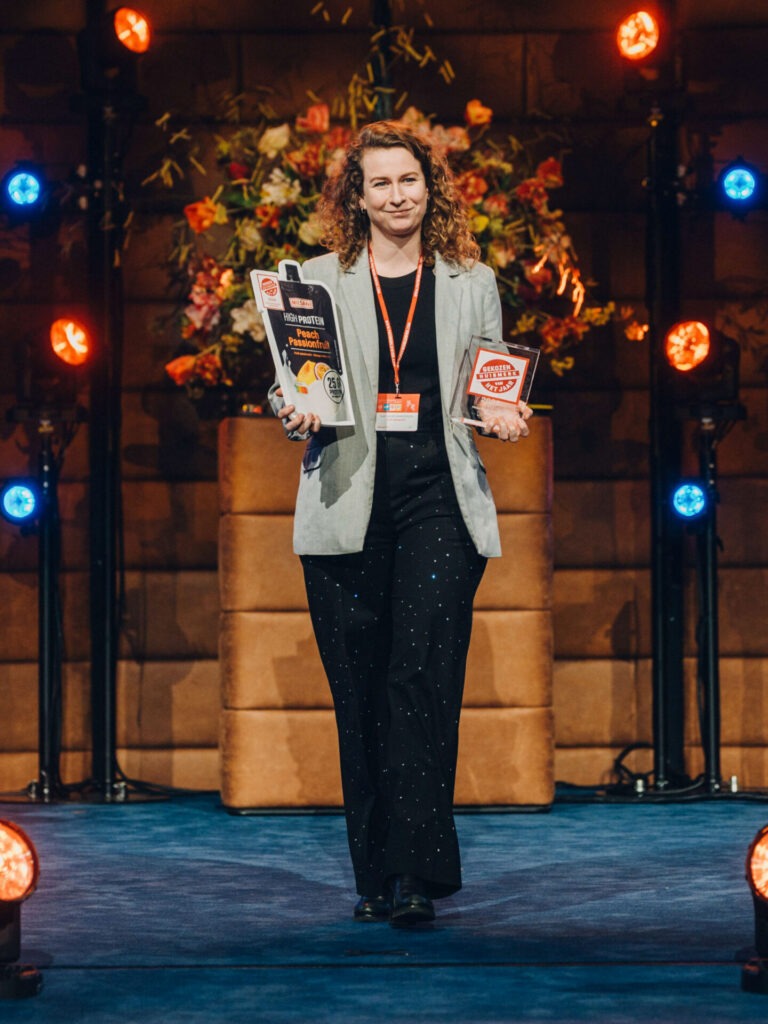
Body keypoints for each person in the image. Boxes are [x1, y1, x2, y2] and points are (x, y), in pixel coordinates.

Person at [271, 120, 532, 926]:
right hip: (347, 495)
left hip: (437, 497)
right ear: (356, 196)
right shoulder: (315, 280)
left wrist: (503, 412)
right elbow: (291, 382)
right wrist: (289, 406)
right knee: (360, 691)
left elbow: (487, 383)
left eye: (408, 180)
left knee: (418, 677)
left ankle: (417, 875)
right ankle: (374, 876)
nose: (396, 196)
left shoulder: (470, 280)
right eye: (379, 183)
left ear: (430, 188)